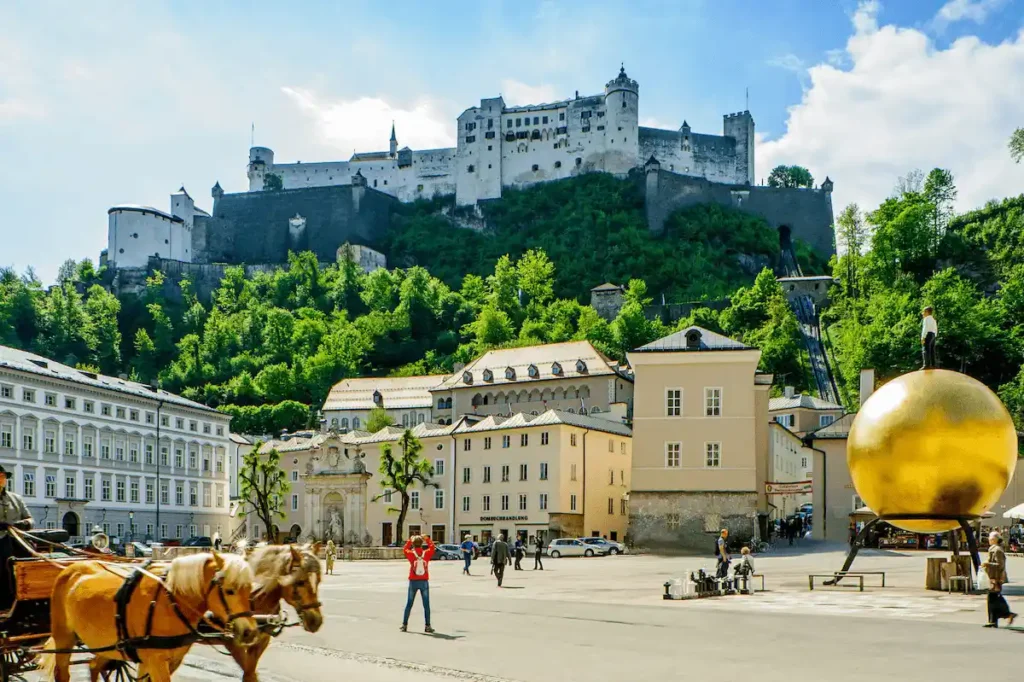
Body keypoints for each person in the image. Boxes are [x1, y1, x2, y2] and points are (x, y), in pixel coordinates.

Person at [0, 463, 34, 611]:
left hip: (17, 541)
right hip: (1, 542)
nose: (1, 480)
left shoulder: (16, 499)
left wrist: (24, 524)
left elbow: (30, 520)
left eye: (3, 477)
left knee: (31, 557)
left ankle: (27, 596)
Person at [401, 535, 435, 633]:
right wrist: (427, 539)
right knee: (426, 605)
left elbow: (405, 549)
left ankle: (404, 625)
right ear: (421, 543)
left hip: (413, 580)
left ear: (413, 543)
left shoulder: (411, 554)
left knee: (409, 603)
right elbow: (432, 547)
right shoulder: (426, 553)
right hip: (424, 580)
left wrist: (409, 540)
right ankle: (427, 626)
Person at [982, 531, 1016, 628]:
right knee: (994, 598)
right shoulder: (993, 549)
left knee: (993, 598)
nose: (988, 539)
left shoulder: (997, 550)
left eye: (990, 538)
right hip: (993, 577)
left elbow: (1000, 565)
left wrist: (986, 564)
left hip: (996, 577)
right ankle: (996, 619)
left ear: (994, 539)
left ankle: (1002, 616)